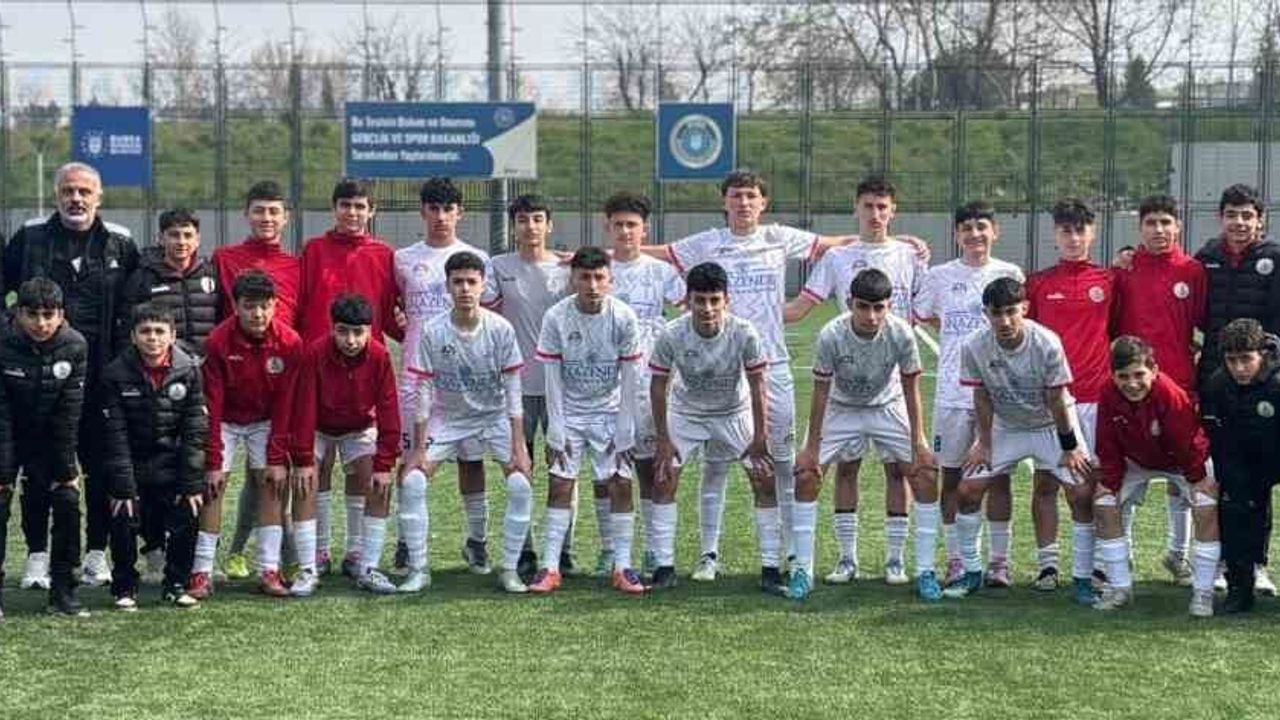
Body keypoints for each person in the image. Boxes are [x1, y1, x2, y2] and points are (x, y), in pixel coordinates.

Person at [641, 170, 860, 583]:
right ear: (724, 201)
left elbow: (835, 243)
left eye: (751, 196)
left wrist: (899, 241)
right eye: (736, 196)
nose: (743, 203)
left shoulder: (778, 237)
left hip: (769, 365)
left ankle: (791, 553)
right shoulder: (707, 242)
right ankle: (708, 554)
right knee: (715, 465)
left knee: (779, 461)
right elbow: (659, 252)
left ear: (763, 203)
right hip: (717, 363)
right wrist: (603, 251)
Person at [784, 176, 928, 585]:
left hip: (890, 390)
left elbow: (927, 309)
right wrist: (737, 308)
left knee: (903, 471)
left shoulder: (911, 255)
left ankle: (896, 561)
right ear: (856, 209)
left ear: (893, 211)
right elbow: (798, 309)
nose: (875, 214)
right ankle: (846, 560)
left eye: (883, 207)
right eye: (868, 206)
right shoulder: (838, 258)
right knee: (844, 469)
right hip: (844, 390)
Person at [3, 161, 139, 590]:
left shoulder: (120, 243)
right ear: (56, 195)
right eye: (68, 191)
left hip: (100, 382)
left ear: (99, 197)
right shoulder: (29, 238)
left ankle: (96, 555)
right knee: (40, 473)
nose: (75, 199)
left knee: (100, 472)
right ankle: (37, 558)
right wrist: (10, 335)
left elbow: (134, 308)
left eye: (84, 191)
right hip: (39, 384)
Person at [951, 277, 1096, 605]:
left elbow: (1056, 399)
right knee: (968, 490)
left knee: (1081, 493)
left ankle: (1082, 579)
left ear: (1025, 309)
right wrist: (984, 443)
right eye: (996, 313)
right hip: (1007, 426)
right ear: (986, 314)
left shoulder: (1046, 342)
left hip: (1051, 425)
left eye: (1011, 312)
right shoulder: (974, 345)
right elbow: (981, 396)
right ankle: (972, 572)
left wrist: (1069, 447)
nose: (1004, 321)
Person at [795, 269, 936, 601]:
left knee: (925, 474)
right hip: (841, 407)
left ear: (889, 306)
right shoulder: (831, 334)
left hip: (887, 406)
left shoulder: (901, 333)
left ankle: (917, 568)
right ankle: (809, 567)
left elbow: (911, 386)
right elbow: (820, 390)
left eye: (879, 308)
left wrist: (919, 442)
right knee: (806, 475)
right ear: (850, 304)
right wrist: (811, 448)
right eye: (863, 307)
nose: (871, 316)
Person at [402, 251, 534, 594]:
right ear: (447, 286)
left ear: (483, 285)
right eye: (457, 282)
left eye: (471, 282)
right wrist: (418, 448)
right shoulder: (433, 330)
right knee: (413, 481)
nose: (464, 289)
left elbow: (514, 390)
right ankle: (418, 570)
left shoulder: (500, 329)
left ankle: (509, 570)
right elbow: (424, 389)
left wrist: (519, 445)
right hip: (448, 417)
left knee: (520, 484)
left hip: (493, 417)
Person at [649, 262, 781, 593]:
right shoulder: (672, 334)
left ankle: (771, 569)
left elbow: (758, 385)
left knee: (764, 479)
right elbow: (658, 385)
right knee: (664, 478)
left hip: (733, 412)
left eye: (714, 300)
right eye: (700, 300)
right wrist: (663, 439)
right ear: (687, 301)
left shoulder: (744, 332)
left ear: (726, 300)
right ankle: (664, 568)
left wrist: (760, 437)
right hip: (686, 412)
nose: (707, 308)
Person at [914, 201, 1023, 588]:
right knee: (951, 476)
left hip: (998, 394)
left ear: (995, 231)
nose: (975, 234)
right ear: (957, 234)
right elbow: (924, 315)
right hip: (952, 394)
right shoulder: (940, 276)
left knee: (999, 477)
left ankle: (999, 562)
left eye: (982, 227)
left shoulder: (1010, 273)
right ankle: (956, 559)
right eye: (967, 228)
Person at [297, 178, 402, 578]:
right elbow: (299, 305)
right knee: (316, 470)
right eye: (345, 205)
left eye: (360, 206)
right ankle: (319, 551)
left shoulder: (383, 255)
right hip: (318, 374)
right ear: (334, 208)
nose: (352, 213)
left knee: (364, 472)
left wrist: (415, 335)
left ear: (372, 211)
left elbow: (391, 316)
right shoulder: (313, 250)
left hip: (363, 380)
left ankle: (357, 551)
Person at [526, 247, 644, 595]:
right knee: (560, 484)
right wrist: (557, 426)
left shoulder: (623, 316)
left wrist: (625, 427)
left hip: (610, 412)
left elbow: (630, 375)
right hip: (571, 412)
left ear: (610, 279)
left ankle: (622, 567)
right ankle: (550, 567)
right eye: (584, 277)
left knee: (620, 483)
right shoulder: (556, 317)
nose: (592, 285)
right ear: (573, 280)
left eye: (599, 277)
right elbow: (551, 375)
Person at [392, 178, 492, 576]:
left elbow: (490, 317)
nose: (440, 216)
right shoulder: (402, 259)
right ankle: (406, 542)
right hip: (416, 379)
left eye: (448, 209)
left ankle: (477, 542)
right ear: (422, 211)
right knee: (411, 461)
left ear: (460, 213)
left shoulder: (477, 258)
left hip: (465, 382)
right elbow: (389, 308)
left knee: (472, 461)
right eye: (433, 208)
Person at [1110, 195, 1207, 585]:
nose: (1159, 230)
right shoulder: (1124, 270)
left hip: (1180, 389)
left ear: (1178, 226)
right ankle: (1124, 558)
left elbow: (1203, 323)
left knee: (1182, 472)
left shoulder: (1193, 271)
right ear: (1140, 228)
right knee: (1126, 475)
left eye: (1166, 222)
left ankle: (1177, 554)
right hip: (1131, 392)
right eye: (1151, 222)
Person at [209, 180, 302, 580]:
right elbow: (214, 314)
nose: (266, 218)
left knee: (274, 471)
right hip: (235, 378)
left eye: (274, 211)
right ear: (246, 214)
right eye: (259, 210)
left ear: (286, 217)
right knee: (248, 474)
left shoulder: (297, 265)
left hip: (282, 378)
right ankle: (244, 556)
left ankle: (280, 556)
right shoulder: (224, 258)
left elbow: (303, 318)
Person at [1092, 336, 1218, 617]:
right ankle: (1120, 588)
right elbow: (1107, 441)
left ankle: (1203, 593)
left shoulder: (1169, 393)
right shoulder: (1108, 393)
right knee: (1103, 503)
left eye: (1139, 375)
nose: (1132, 383)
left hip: (1181, 461)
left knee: (1206, 505)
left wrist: (1198, 478)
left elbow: (1187, 442)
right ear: (1113, 375)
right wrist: (1109, 483)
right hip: (1137, 461)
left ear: (1154, 370)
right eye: (1123, 376)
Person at [195, 270, 302, 599]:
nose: (258, 314)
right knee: (213, 486)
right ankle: (201, 571)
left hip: (265, 420)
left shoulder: (290, 343)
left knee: (271, 483)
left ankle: (268, 568)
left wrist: (276, 458)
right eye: (249, 306)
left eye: (265, 306)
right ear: (235, 306)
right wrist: (214, 460)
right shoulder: (217, 342)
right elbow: (213, 405)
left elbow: (286, 404)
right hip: (226, 420)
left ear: (275, 305)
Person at [1195, 184, 1280, 595]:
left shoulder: (1274, 258)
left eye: (1248, 215)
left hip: (1263, 383)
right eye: (1232, 214)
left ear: (1260, 219)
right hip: (1217, 381)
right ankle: (1226, 561)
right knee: (1226, 474)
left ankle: (1256, 564)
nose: (1240, 222)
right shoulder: (1206, 258)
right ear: (1221, 218)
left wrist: (1269, 366)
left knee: (1258, 477)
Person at [483, 194, 574, 577]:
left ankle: (563, 550)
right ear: (514, 226)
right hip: (514, 388)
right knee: (518, 469)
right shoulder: (497, 266)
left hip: (558, 387)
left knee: (562, 469)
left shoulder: (567, 270)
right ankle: (525, 549)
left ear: (549, 225)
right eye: (523, 219)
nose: (531, 226)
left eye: (537, 219)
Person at [1023, 198, 1109, 595]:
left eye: (1080, 230)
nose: (1073, 238)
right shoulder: (1038, 283)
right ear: (1055, 235)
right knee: (1045, 482)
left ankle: (1093, 566)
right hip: (1052, 401)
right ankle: (1048, 565)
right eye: (1065, 231)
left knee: (1090, 488)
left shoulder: (1110, 280)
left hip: (1095, 400)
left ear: (1092, 232)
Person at [290, 294, 402, 595]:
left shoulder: (379, 356)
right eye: (343, 331)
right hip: (319, 428)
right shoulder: (315, 353)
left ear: (369, 330)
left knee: (378, 483)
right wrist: (303, 459)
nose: (351, 340)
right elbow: (304, 408)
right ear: (332, 328)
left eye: (358, 332)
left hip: (359, 428)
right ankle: (309, 566)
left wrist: (384, 464)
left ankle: (366, 564)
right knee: (305, 482)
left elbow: (389, 409)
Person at [101, 304, 208, 611]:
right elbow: (115, 435)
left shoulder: (189, 370)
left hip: (171, 461)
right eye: (145, 331)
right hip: (130, 461)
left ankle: (176, 584)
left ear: (172, 336)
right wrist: (124, 486)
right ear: (133, 336)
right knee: (123, 513)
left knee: (188, 509)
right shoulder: (114, 374)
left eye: (160, 331)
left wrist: (191, 482)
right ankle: (124, 586)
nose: (153, 338)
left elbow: (194, 429)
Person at [602, 191, 685, 577]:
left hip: (649, 380)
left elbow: (688, 311)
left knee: (651, 467)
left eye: (632, 225)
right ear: (608, 227)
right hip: (606, 383)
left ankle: (654, 549)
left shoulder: (660, 271)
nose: (625, 231)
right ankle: (610, 549)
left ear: (644, 229)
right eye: (618, 224)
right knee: (609, 469)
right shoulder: (598, 269)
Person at [0, 278, 89, 617]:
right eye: (32, 315)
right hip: (8, 431)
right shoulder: (3, 342)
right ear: (18, 314)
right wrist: (3, 473)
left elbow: (69, 413)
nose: (41, 323)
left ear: (61, 315)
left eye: (48, 315)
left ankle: (63, 591)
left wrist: (67, 470)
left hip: (51, 435)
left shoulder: (75, 345)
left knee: (67, 500)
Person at [1200, 319, 1280, 613]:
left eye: (1246, 359)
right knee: (1235, 509)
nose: (1239, 368)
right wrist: (1231, 476)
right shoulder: (1219, 384)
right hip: (1246, 457)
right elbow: (1219, 437)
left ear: (1263, 354)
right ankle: (1240, 587)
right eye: (1232, 360)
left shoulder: (1277, 383)